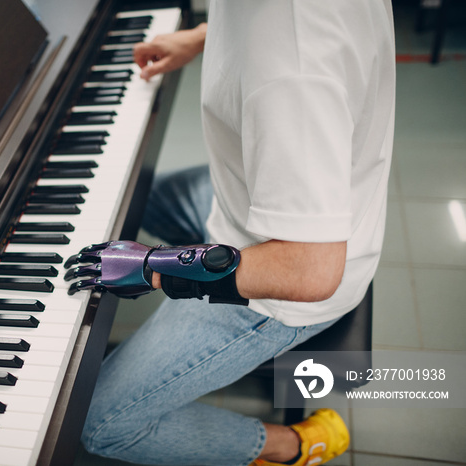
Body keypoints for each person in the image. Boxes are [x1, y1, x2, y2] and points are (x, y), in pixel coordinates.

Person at [65, 1, 395, 465]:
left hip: (283, 278)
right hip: (244, 203)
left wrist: (153, 268)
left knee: (96, 422)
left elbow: (310, 270)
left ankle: (293, 446)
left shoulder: (294, 73)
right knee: (125, 193)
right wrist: (204, 35)